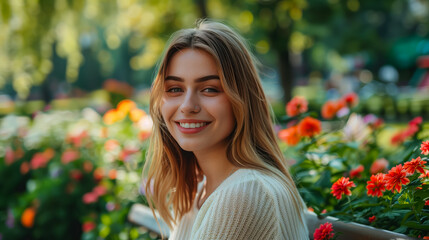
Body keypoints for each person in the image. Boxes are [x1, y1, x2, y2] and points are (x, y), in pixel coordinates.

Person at [143, 19, 309, 239]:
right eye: (175, 89)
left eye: (210, 89)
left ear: (242, 99)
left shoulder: (244, 194)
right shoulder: (204, 190)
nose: (187, 106)